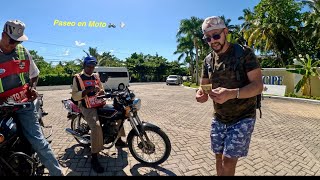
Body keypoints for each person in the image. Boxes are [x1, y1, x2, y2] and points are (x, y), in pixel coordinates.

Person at [196, 16, 263, 176]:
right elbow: (203, 86)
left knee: (228, 160)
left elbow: (258, 85)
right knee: (218, 158)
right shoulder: (207, 60)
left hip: (243, 117)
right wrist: (200, 94)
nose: (213, 41)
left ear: (225, 32)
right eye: (208, 38)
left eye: (216, 35)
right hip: (219, 117)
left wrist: (232, 94)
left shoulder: (243, 53)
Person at [0, 20, 63, 176]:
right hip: (2, 107)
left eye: (18, 41)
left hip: (23, 104)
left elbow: (35, 74)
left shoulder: (23, 52)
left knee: (37, 141)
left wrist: (33, 87)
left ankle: (57, 173)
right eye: (12, 40)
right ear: (3, 35)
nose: (14, 44)